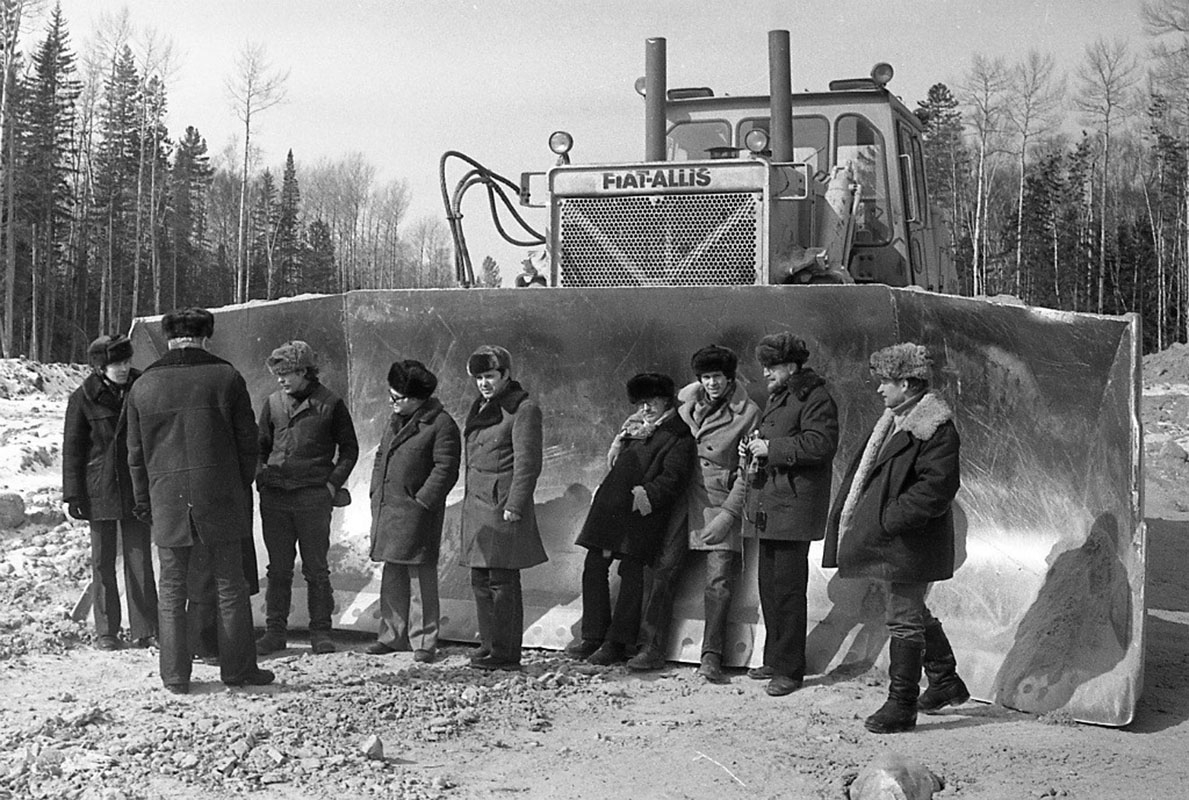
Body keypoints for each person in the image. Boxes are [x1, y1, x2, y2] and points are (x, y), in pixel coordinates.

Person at [125, 307, 272, 694]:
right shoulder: (226, 377)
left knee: (171, 587)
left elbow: (135, 456)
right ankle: (237, 671)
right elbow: (248, 444)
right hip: (221, 496)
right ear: (206, 337)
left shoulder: (143, 386)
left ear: (171, 339)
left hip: (167, 500)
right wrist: (238, 487)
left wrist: (146, 502)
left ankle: (175, 675)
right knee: (230, 585)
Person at [823, 342, 967, 734]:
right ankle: (944, 680)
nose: (879, 389)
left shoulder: (934, 427)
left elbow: (937, 489)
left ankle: (901, 705)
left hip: (910, 542)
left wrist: (888, 519)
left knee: (902, 621)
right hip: (896, 541)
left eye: (885, 382)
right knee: (912, 612)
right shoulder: (895, 419)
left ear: (907, 383)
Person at [627, 346, 760, 682]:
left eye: (717, 376)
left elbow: (749, 471)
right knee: (663, 570)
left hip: (719, 501)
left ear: (730, 377)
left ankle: (712, 656)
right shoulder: (685, 403)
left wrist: (730, 514)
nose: (711, 383)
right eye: (705, 377)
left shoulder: (748, 413)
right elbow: (645, 423)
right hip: (679, 498)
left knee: (718, 582)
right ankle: (650, 646)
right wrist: (622, 440)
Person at [570, 372, 695, 666]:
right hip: (612, 512)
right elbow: (618, 465)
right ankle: (593, 635)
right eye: (641, 403)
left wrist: (644, 495)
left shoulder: (679, 436)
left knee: (632, 573)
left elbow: (673, 479)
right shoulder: (634, 429)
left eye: (651, 402)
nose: (646, 408)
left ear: (666, 400)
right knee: (594, 565)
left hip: (640, 516)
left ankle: (617, 642)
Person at [740, 332, 838, 697]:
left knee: (788, 592)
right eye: (765, 367)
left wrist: (772, 447)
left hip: (793, 509)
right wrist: (754, 447)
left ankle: (790, 669)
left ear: (792, 366)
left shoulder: (814, 397)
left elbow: (821, 444)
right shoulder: (781, 397)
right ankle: (775, 657)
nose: (766, 373)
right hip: (773, 506)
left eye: (772, 366)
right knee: (769, 587)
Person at [254, 341, 359, 656]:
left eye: (286, 373)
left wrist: (330, 486)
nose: (281, 380)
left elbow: (350, 449)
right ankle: (275, 633)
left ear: (304, 371)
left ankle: (321, 632)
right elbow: (259, 447)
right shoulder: (272, 403)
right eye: (277, 374)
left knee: (316, 568)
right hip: (275, 499)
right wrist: (261, 477)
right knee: (279, 569)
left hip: (313, 498)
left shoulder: (330, 403)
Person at [62, 334, 158, 651]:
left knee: (139, 559)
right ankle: (107, 631)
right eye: (115, 363)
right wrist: (73, 495)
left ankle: (145, 629)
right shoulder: (83, 397)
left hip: (135, 486)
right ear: (100, 367)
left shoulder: (143, 388)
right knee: (102, 562)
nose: (122, 368)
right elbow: (73, 451)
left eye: (126, 361)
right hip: (99, 487)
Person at [367, 359, 460, 662]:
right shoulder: (394, 419)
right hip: (389, 506)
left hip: (418, 512)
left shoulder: (441, 424)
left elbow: (446, 469)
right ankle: (391, 635)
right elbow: (381, 455)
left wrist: (422, 502)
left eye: (396, 397)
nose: (390, 402)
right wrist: (375, 492)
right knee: (392, 570)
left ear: (417, 399)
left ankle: (424, 641)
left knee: (421, 575)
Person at [460, 345, 546, 671]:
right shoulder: (481, 406)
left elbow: (528, 465)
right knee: (481, 580)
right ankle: (488, 646)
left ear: (506, 375)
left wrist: (515, 505)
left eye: (490, 376)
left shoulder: (523, 410)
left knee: (502, 582)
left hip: (501, 506)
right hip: (478, 505)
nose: (483, 383)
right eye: (479, 377)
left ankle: (506, 653)